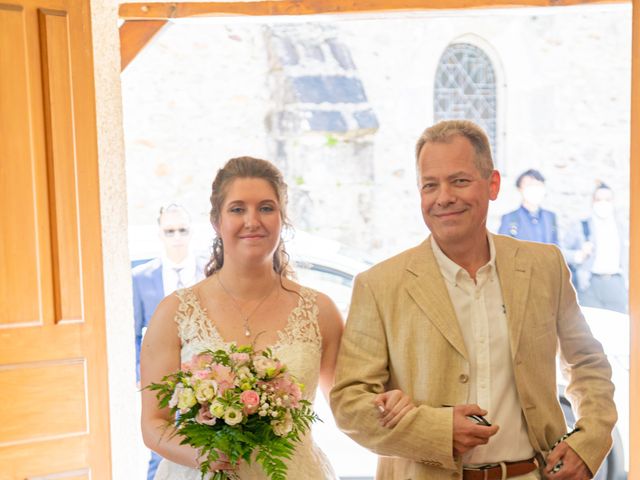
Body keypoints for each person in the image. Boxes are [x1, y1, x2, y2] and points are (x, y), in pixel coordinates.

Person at [330, 120, 617, 480]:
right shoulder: (379, 285)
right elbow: (349, 404)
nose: (443, 197)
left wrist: (589, 441)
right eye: (430, 185)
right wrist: (436, 429)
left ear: (493, 184)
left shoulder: (545, 266)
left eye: (459, 181)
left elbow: (588, 364)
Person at [140, 157, 410, 479]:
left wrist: (386, 404)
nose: (253, 221)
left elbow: (348, 404)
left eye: (266, 208)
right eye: (237, 209)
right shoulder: (176, 312)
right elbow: (153, 424)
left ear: (283, 218)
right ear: (217, 221)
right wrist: (203, 454)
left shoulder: (318, 311)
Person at [132, 203, 207, 480]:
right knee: (160, 449)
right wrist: (140, 376)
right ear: (160, 234)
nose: (176, 236)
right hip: (161, 379)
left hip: (204, 379)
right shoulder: (141, 278)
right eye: (170, 231)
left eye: (182, 230)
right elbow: (133, 331)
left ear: (191, 232)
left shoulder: (209, 274)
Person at [564, 182, 628, 313]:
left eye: (607, 199)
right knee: (592, 327)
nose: (603, 203)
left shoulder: (622, 227)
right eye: (599, 199)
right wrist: (578, 255)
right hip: (589, 283)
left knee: (618, 326)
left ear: (613, 201)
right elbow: (561, 251)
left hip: (616, 282)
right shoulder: (581, 226)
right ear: (592, 201)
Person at [498, 169, 558, 245]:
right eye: (529, 185)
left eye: (538, 185)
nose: (535, 189)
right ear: (520, 189)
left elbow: (556, 247)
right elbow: (503, 249)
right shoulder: (510, 218)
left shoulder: (550, 217)